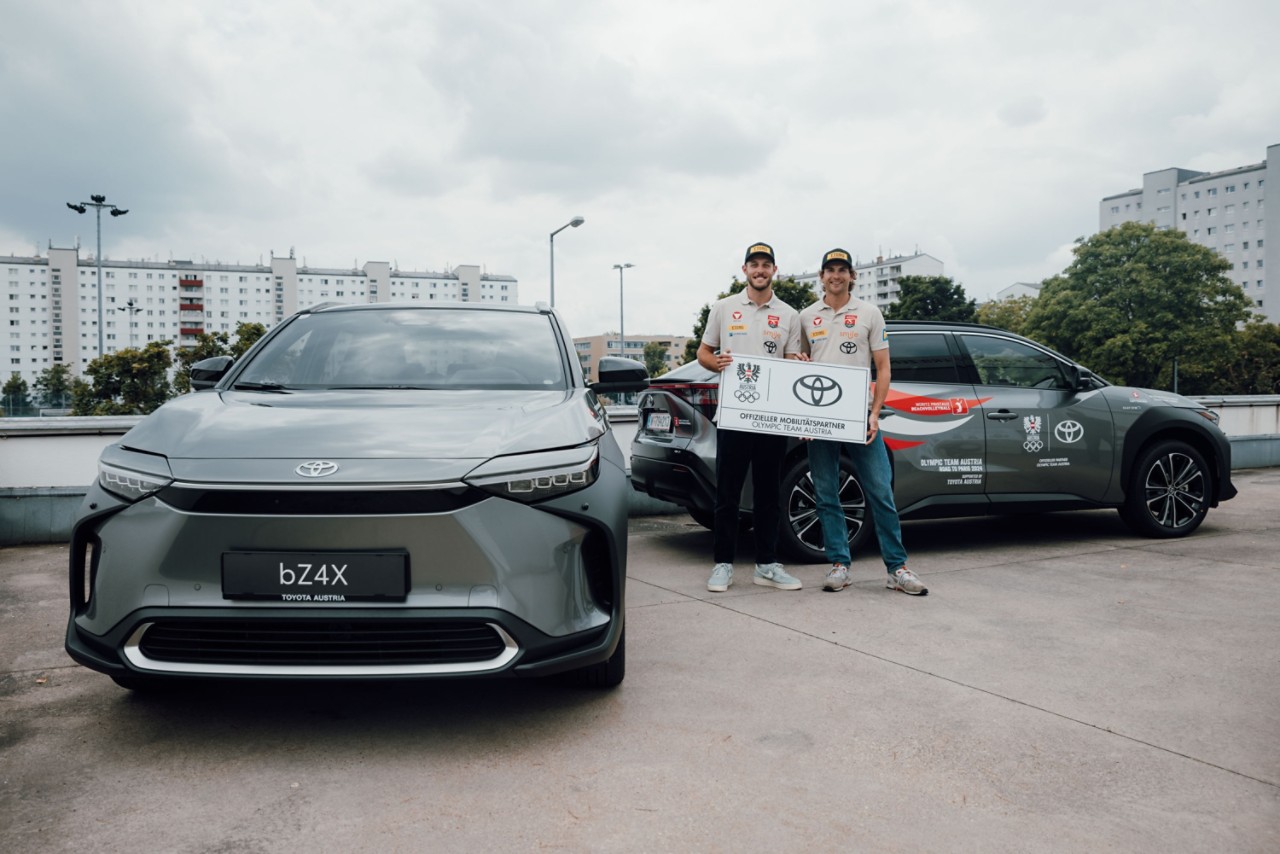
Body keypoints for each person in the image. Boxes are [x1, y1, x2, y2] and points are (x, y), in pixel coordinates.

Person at [798, 248, 927, 595]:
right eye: (830, 270)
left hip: (860, 417)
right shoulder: (807, 316)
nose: (836, 275)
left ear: (852, 275)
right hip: (820, 418)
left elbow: (883, 367)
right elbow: (796, 368)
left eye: (842, 270)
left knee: (880, 491)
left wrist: (874, 413)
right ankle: (840, 564)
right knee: (826, 495)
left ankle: (896, 568)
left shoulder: (870, 313)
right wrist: (802, 419)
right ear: (821, 276)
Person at [697, 242, 803, 593]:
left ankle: (767, 564)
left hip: (772, 417)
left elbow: (790, 362)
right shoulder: (725, 308)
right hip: (735, 413)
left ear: (775, 270)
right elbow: (704, 352)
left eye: (766, 265)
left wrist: (797, 365)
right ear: (744, 270)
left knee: (769, 493)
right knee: (727, 492)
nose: (760, 270)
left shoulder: (789, 314)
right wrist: (716, 363)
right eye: (753, 264)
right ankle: (723, 565)